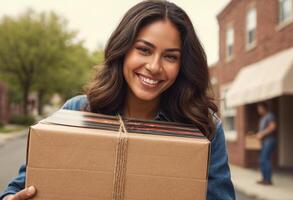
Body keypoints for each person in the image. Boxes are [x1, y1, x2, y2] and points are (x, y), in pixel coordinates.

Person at [0, 1, 235, 199]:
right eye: (144, 50)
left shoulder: (203, 126)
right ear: (123, 50)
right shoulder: (79, 111)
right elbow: (18, 188)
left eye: (170, 57)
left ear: (183, 64)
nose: (154, 67)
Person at [256, 102, 277, 185]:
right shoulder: (263, 118)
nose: (258, 110)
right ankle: (264, 178)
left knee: (265, 159)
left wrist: (262, 134)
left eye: (259, 108)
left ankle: (268, 180)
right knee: (262, 159)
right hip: (264, 141)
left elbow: (273, 127)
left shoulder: (270, 116)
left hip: (269, 140)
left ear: (264, 108)